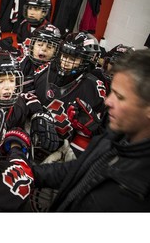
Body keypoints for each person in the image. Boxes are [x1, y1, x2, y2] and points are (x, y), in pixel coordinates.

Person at [30, 49, 150, 211]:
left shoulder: (138, 191)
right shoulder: (115, 138)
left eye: (120, 97)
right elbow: (80, 169)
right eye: (111, 92)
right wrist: (30, 173)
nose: (107, 101)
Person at [30, 31, 107, 162]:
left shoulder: (94, 88)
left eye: (73, 59)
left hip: (63, 151)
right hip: (32, 138)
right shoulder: (43, 70)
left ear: (88, 61)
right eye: (64, 56)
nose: (65, 62)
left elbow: (97, 135)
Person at [0, 50, 60, 155]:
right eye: (0, 81)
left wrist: (39, 114)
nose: (8, 87)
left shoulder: (20, 105)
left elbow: (28, 97)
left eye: (12, 80)